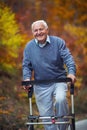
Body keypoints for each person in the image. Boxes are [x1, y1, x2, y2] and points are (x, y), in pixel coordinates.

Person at [22, 20, 76, 130]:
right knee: (46, 116)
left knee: (61, 99)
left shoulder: (58, 42)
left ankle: (62, 128)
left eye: (41, 29)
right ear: (33, 33)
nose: (38, 32)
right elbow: (26, 65)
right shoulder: (29, 47)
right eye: (35, 30)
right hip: (41, 84)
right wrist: (26, 78)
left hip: (59, 81)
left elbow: (68, 59)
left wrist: (71, 73)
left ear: (47, 30)